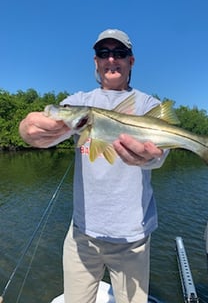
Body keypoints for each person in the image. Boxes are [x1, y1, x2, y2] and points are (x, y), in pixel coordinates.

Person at [19, 28, 169, 303]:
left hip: (133, 239)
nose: (111, 59)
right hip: (82, 237)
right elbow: (45, 125)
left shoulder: (149, 104)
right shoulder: (81, 103)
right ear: (96, 62)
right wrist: (28, 129)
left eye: (119, 53)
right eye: (104, 53)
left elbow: (159, 156)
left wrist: (152, 158)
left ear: (131, 61)